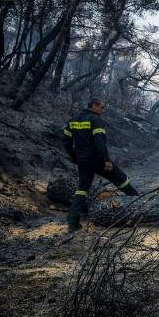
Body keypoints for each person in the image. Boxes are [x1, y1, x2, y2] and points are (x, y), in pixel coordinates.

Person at [63, 98, 139, 233]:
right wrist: (107, 160)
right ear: (94, 106)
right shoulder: (95, 120)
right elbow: (99, 141)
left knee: (82, 190)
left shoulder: (73, 120)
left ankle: (73, 224)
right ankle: (139, 205)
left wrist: (75, 157)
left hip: (82, 161)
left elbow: (66, 142)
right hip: (96, 159)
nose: (103, 111)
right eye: (102, 108)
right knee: (121, 179)